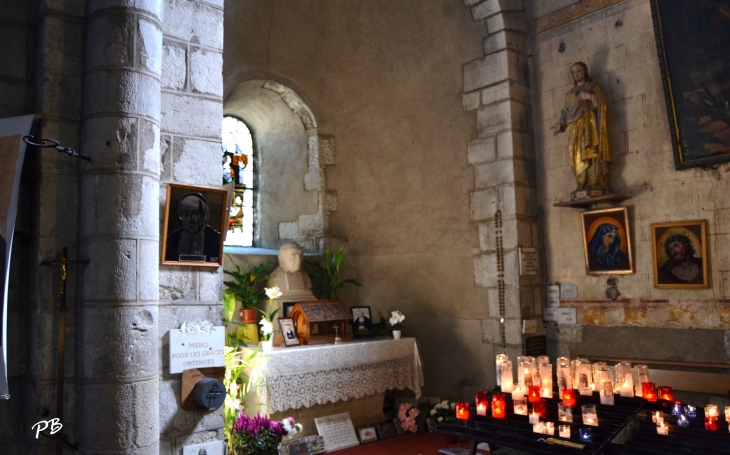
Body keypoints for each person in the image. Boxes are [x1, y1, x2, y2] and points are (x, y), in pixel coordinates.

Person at [552, 62, 611, 197]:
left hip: (589, 126)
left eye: (579, 71)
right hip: (574, 129)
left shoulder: (592, 86)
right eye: (574, 72)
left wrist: (589, 97)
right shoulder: (570, 93)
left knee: (591, 151)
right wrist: (560, 125)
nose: (576, 74)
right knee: (576, 154)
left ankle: (595, 181)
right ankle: (582, 182)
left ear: (585, 72)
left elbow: (603, 103)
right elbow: (565, 112)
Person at [165, 192, 221, 262]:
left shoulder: (216, 239)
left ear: (205, 215)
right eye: (185, 214)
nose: (189, 219)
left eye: (195, 213)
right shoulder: (172, 239)